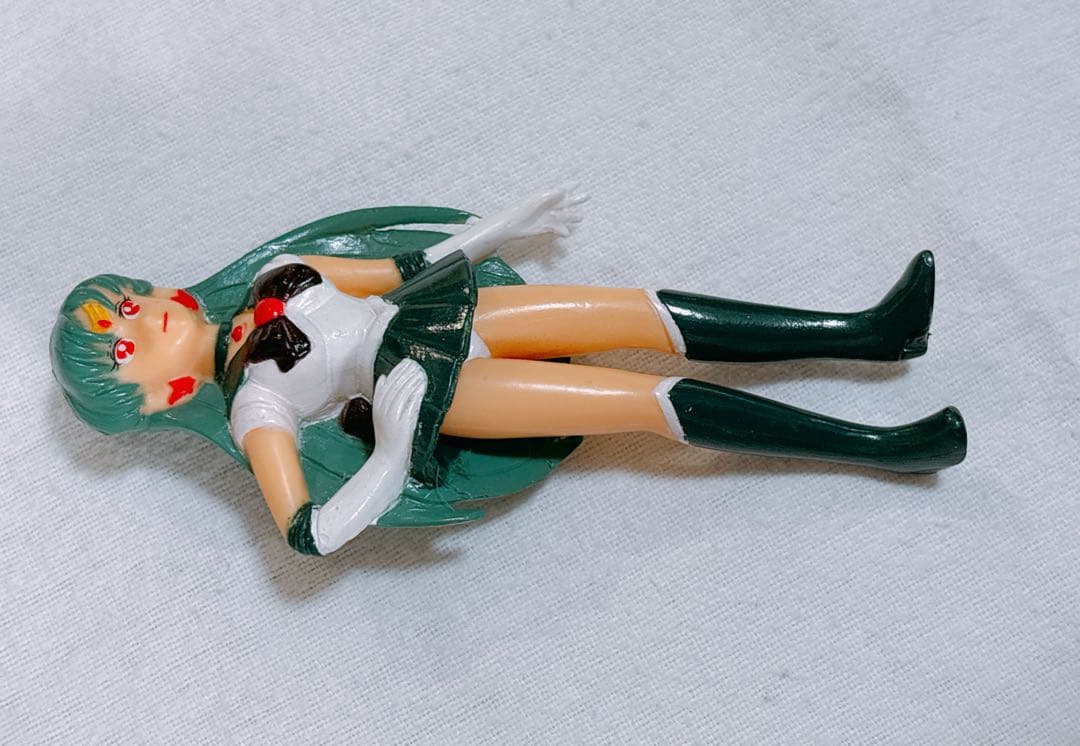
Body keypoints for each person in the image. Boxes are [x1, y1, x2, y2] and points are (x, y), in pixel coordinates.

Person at [51, 187, 967, 556]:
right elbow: (308, 534)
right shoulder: (255, 409)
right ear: (155, 396)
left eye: (121, 302)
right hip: (433, 389)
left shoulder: (274, 275)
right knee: (637, 402)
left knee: (636, 310)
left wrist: (502, 227)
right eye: (121, 342)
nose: (137, 315)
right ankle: (883, 447)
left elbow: (401, 268)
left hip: (439, 311)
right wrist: (395, 449)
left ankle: (870, 330)